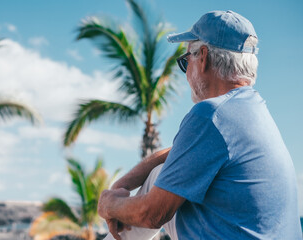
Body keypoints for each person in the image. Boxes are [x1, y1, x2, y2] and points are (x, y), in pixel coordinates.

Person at [98, 10, 302, 240]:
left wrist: (109, 204)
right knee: (161, 175)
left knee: (164, 192)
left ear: (203, 57)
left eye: (186, 62)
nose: (186, 75)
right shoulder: (252, 110)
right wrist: (124, 183)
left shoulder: (212, 114)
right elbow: (179, 156)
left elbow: (151, 214)